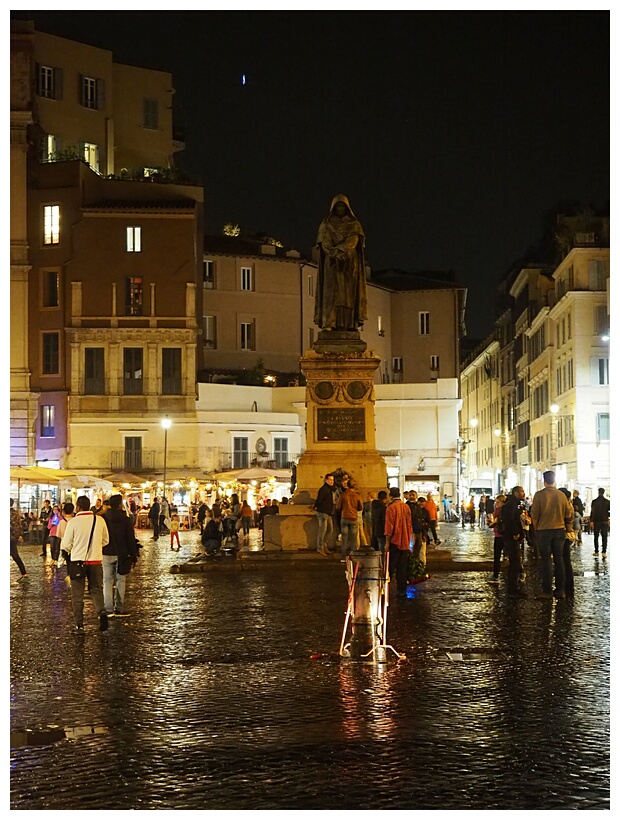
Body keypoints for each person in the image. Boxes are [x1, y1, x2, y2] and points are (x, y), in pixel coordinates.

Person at [314, 194, 368, 332]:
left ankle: (349, 323)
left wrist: (341, 250)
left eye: (342, 206)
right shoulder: (326, 224)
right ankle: (329, 322)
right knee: (330, 294)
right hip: (331, 262)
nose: (340, 209)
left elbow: (354, 240)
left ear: (347, 208)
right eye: (338, 206)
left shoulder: (354, 225)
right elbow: (324, 241)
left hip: (349, 263)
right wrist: (333, 253)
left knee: (348, 296)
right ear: (333, 208)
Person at [62, 495, 110, 632]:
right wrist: (95, 547)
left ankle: (79, 624)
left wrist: (74, 549)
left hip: (77, 562)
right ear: (89, 506)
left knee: (77, 595)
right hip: (95, 561)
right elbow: (106, 540)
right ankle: (101, 613)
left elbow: (66, 545)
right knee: (96, 590)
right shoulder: (99, 520)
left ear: (78, 507)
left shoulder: (73, 522)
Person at [530, 470, 574, 600]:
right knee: (559, 560)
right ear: (554, 481)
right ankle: (560, 590)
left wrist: (536, 528)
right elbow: (568, 515)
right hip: (559, 530)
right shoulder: (561, 495)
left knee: (546, 561)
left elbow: (535, 515)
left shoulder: (539, 495)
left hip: (544, 530)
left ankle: (547, 590)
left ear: (544, 481)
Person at [102, 494, 139, 616]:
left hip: (106, 552)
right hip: (122, 553)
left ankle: (108, 609)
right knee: (121, 580)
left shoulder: (103, 518)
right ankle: (119, 607)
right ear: (120, 505)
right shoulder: (125, 519)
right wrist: (133, 555)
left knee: (107, 581)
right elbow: (130, 538)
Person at [498, 487, 528, 598]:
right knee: (515, 562)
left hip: (511, 536)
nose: (523, 494)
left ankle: (513, 588)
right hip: (511, 537)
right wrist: (516, 533)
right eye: (522, 492)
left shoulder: (513, 504)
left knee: (515, 562)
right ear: (516, 493)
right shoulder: (511, 505)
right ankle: (512, 589)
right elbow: (510, 520)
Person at [384, 487, 413, 598]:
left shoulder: (391, 508)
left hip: (395, 541)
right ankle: (402, 590)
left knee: (391, 566)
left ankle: (385, 589)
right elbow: (410, 524)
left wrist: (387, 542)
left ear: (390, 496)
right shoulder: (406, 507)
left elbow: (389, 527)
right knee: (402, 567)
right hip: (405, 540)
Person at [336, 478, 363, 561]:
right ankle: (354, 557)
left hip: (344, 517)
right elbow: (360, 507)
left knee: (344, 539)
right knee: (354, 539)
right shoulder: (357, 495)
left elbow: (338, 507)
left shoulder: (343, 495)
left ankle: (343, 557)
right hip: (354, 518)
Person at [558, 488, 576, 597]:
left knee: (565, 560)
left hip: (565, 534)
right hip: (566, 534)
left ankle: (568, 587)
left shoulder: (567, 506)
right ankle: (568, 586)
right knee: (565, 560)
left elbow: (567, 518)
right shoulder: (568, 505)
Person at [313, 473, 335, 556]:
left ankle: (324, 545)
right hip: (323, 512)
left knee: (330, 529)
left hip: (328, 512)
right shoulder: (324, 489)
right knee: (322, 531)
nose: (331, 481)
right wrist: (316, 506)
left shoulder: (329, 489)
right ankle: (320, 548)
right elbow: (319, 499)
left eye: (332, 480)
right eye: (330, 480)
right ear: (326, 480)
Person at [10, 499, 29, 583]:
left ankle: (24, 574)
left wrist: (17, 535)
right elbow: (19, 525)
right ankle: (24, 574)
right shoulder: (16, 513)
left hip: (10, 537)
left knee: (15, 556)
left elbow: (12, 526)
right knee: (15, 556)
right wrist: (19, 535)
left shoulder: (9, 513)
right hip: (13, 538)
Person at [489, 494, 507, 583]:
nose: (496, 504)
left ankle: (520, 572)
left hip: (504, 535)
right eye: (496, 502)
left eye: (498, 502)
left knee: (512, 556)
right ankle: (495, 575)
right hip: (498, 534)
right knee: (497, 556)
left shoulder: (504, 511)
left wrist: (493, 523)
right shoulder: (497, 510)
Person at [590, 488, 610, 557]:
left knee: (596, 536)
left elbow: (593, 512)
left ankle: (596, 551)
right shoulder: (607, 502)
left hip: (596, 521)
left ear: (598, 492)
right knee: (604, 537)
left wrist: (591, 521)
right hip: (604, 521)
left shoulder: (594, 502)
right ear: (604, 492)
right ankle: (604, 552)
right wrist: (608, 517)